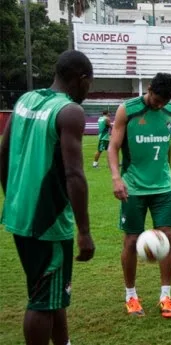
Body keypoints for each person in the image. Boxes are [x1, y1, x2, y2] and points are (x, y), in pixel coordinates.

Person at [0, 50, 95, 345]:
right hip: (48, 222)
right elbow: (75, 176)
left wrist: (14, 199)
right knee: (41, 301)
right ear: (80, 79)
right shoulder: (69, 112)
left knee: (53, 292)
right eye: (88, 83)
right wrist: (84, 232)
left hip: (20, 215)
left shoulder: (25, 101)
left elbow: (3, 154)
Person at [108, 72, 171, 319]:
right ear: (149, 88)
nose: (159, 105)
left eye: (164, 102)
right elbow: (113, 146)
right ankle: (131, 296)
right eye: (157, 99)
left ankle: (166, 296)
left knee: (168, 237)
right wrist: (116, 178)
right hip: (133, 188)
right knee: (130, 240)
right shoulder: (127, 110)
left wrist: (167, 172)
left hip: (163, 188)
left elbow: (167, 145)